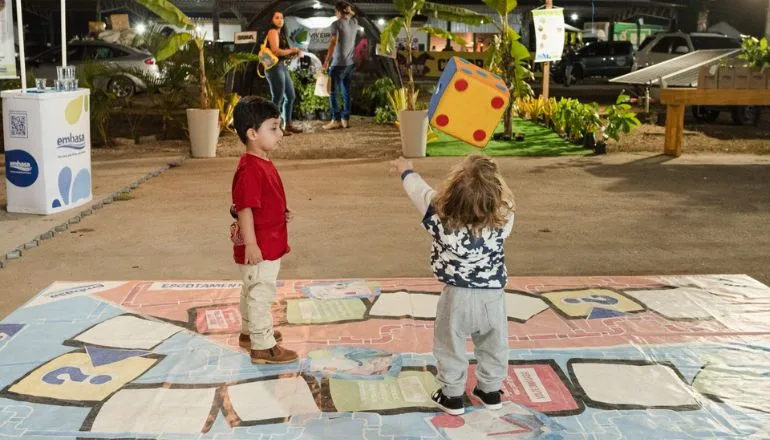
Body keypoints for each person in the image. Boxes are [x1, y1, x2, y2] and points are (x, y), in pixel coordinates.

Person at [391, 155, 516, 416]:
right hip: (493, 297)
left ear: (451, 194)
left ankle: (452, 396)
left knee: (450, 346)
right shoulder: (503, 218)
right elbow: (505, 201)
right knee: (494, 344)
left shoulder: (439, 217)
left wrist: (406, 171)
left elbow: (420, 192)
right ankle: (490, 391)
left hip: (455, 297)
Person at [230, 96, 298, 365]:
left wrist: (281, 211)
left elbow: (262, 201)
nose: (280, 133)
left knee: (251, 290)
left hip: (267, 241)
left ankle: (249, 333)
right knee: (261, 292)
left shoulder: (260, 161)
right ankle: (262, 345)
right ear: (252, 133)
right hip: (261, 246)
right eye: (273, 128)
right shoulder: (250, 169)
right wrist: (251, 245)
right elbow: (244, 209)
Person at [265, 11, 303, 136]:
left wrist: (295, 52)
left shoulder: (281, 33)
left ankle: (288, 124)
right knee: (277, 99)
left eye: (281, 18)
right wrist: (292, 50)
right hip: (274, 67)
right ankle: (276, 128)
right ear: (272, 20)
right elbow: (276, 51)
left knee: (290, 96)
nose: (280, 20)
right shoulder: (273, 32)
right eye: (277, 18)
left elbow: (283, 52)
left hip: (281, 66)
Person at [322, 1, 358, 130]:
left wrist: (326, 61)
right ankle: (345, 119)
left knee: (332, 92)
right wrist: (348, 11)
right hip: (350, 63)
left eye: (336, 12)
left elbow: (333, 43)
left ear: (338, 12)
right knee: (346, 92)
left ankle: (336, 119)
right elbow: (353, 14)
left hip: (338, 63)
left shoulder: (336, 24)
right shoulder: (354, 22)